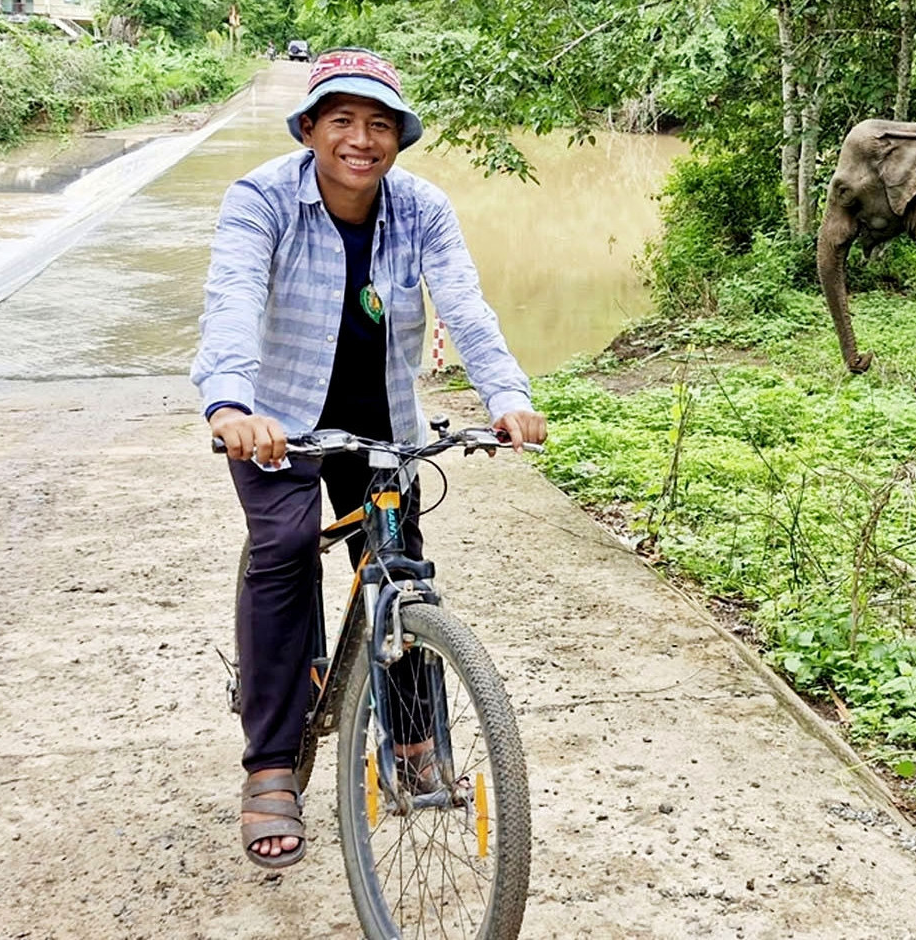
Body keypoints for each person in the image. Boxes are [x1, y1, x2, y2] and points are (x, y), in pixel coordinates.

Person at [192, 47, 547, 870]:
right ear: (310, 128)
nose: (361, 139)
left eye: (379, 124)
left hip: (382, 413)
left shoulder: (420, 208)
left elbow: (464, 298)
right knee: (282, 554)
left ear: (398, 138)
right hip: (277, 416)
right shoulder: (262, 198)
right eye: (343, 121)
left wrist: (505, 396)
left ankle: (418, 741)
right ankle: (272, 764)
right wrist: (232, 404)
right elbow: (233, 299)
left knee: (399, 566)